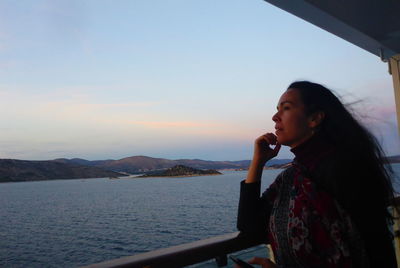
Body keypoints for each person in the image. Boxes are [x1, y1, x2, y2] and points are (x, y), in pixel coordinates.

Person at [236, 81, 397, 268]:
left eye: (286, 108)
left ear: (314, 119)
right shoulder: (291, 177)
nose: (275, 117)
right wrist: (258, 161)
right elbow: (250, 227)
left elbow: (371, 252)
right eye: (277, 109)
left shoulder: (344, 171)